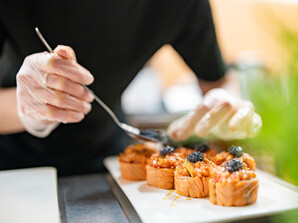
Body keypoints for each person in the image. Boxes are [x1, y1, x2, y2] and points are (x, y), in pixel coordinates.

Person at [0, 0, 261, 176]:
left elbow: (217, 82)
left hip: (107, 162)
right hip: (12, 168)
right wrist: (26, 108)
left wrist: (227, 105)